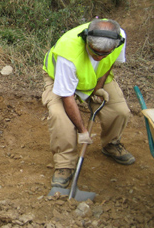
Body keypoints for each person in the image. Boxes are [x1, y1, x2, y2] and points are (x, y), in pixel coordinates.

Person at [42, 18, 135, 188]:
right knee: (60, 117)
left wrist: (97, 88)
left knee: (119, 110)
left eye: (104, 53)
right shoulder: (68, 52)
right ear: (86, 40)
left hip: (94, 77)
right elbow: (67, 96)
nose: (99, 56)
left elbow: (109, 63)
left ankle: (111, 144)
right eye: (95, 52)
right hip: (60, 78)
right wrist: (83, 131)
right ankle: (64, 164)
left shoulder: (119, 37)